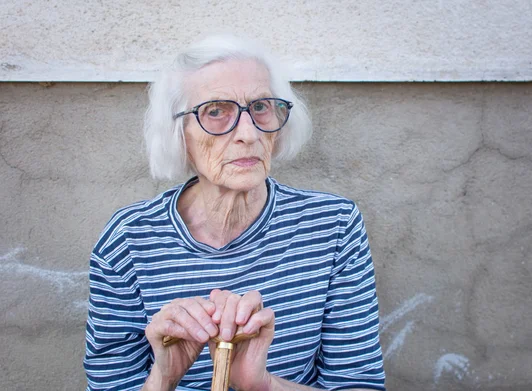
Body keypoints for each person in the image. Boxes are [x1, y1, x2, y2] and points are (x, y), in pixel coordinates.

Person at [84, 35, 385, 391]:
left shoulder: (332, 226)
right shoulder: (129, 240)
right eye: (215, 111)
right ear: (178, 133)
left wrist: (262, 384)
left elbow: (358, 384)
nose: (248, 132)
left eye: (260, 107)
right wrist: (163, 379)